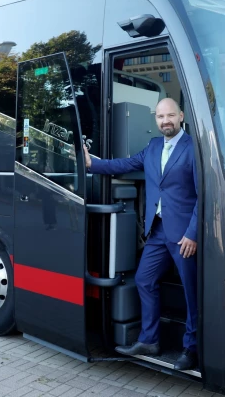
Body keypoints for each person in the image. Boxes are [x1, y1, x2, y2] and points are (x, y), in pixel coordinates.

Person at [83, 97, 199, 370]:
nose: (165, 121)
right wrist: (92, 165)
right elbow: (124, 165)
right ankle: (149, 340)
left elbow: (202, 196)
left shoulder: (193, 148)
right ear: (156, 120)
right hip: (157, 232)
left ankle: (191, 349)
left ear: (180, 116)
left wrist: (193, 234)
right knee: (145, 280)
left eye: (170, 115)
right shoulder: (153, 146)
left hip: (184, 236)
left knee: (192, 294)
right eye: (160, 117)